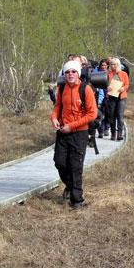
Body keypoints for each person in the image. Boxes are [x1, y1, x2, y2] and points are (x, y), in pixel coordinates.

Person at [50, 60, 97, 209]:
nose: (70, 74)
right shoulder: (62, 87)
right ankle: (71, 186)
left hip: (79, 133)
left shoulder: (86, 89)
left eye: (73, 71)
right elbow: (58, 106)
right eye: (67, 72)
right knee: (60, 162)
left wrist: (72, 126)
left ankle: (77, 201)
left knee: (76, 167)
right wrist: (54, 118)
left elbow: (92, 114)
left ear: (78, 73)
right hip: (63, 132)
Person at [106, 58, 130, 141]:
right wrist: (107, 87)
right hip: (112, 97)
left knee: (120, 116)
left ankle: (119, 134)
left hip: (121, 97)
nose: (113, 66)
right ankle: (113, 134)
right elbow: (105, 84)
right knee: (111, 116)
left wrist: (123, 88)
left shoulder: (124, 74)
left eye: (115, 64)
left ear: (118, 65)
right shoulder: (108, 74)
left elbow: (127, 84)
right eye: (111, 64)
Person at [94, 59, 109, 138]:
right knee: (99, 114)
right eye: (102, 65)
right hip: (99, 97)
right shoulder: (96, 74)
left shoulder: (110, 74)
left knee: (107, 114)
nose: (104, 67)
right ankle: (100, 131)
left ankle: (106, 128)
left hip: (108, 97)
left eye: (105, 65)